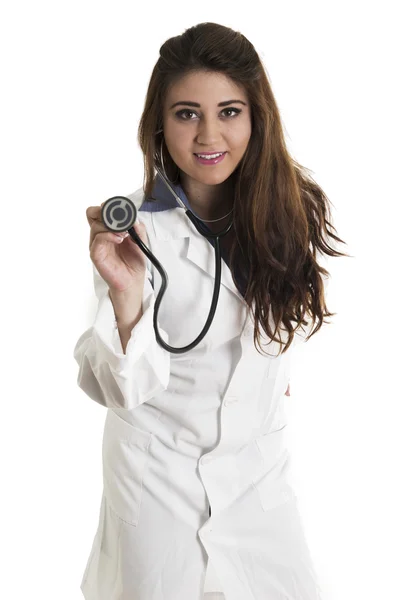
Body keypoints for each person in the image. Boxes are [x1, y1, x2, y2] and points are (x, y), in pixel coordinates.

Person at [74, 22, 348, 600]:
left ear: (255, 118)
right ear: (160, 123)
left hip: (257, 479)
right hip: (157, 485)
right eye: (186, 113)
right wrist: (126, 299)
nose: (208, 134)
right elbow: (120, 387)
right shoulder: (136, 237)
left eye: (228, 111)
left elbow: (268, 337)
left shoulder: (288, 213)